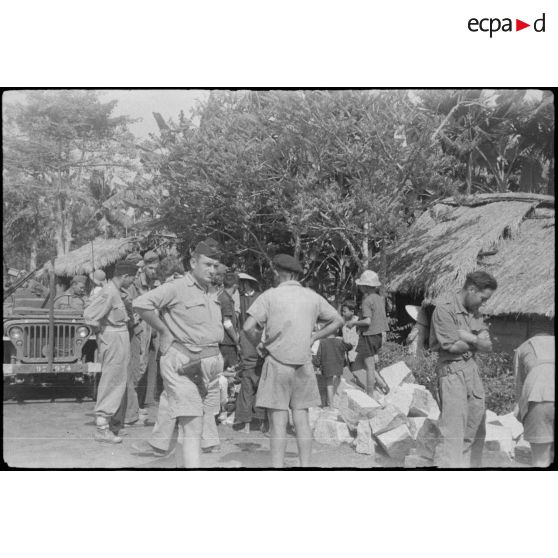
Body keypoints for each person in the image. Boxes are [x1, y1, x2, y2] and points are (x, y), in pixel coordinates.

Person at [243, 253, 343, 468]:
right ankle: (304, 466)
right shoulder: (312, 296)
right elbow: (338, 320)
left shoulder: (270, 296)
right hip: (303, 364)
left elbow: (247, 327)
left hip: (277, 363)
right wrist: (315, 336)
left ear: (278, 272)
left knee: (278, 423)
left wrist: (260, 344)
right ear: (297, 274)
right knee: (302, 419)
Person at [132, 240, 225, 467]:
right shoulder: (178, 286)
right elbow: (141, 303)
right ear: (193, 262)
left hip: (209, 366)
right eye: (207, 264)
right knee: (192, 427)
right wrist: (163, 330)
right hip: (185, 363)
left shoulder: (210, 290)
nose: (212, 270)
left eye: (215, 265)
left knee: (194, 428)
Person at [429, 270, 497, 468]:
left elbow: (488, 345)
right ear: (471, 289)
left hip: (471, 371)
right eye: (482, 299)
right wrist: (476, 339)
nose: (483, 304)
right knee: (452, 436)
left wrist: (466, 336)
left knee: (474, 431)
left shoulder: (474, 313)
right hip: (452, 372)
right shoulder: (444, 310)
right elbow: (453, 347)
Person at [84, 261, 137, 443]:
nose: (133, 281)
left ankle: (110, 425)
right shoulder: (108, 291)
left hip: (120, 339)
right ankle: (101, 428)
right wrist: (101, 333)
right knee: (111, 379)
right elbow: (90, 316)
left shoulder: (118, 292)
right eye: (132, 277)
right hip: (113, 339)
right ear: (124, 276)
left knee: (119, 379)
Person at [513, 331, 555, 467]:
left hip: (538, 396)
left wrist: (522, 415)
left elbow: (518, 387)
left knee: (541, 460)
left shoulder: (523, 348)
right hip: (540, 394)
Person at [345, 270, 389, 396]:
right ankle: (381, 384)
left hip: (369, 335)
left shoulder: (367, 301)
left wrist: (353, 323)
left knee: (369, 366)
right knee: (358, 364)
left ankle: (370, 395)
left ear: (364, 287)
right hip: (379, 335)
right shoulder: (379, 298)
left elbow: (368, 321)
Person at [233, 272, 265, 432]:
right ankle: (245, 421)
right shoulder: (239, 298)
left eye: (243, 283)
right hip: (245, 340)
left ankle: (258, 419)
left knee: (259, 382)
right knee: (246, 381)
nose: (241, 286)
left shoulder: (261, 297)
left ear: (249, 284)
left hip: (258, 338)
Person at [314, 331, 349, 408]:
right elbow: (348, 347)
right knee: (338, 378)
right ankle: (333, 398)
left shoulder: (322, 342)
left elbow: (318, 355)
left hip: (327, 365)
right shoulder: (339, 341)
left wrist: (316, 364)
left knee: (329, 384)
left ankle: (331, 405)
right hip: (338, 364)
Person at [218, 271, 241, 369]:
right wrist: (237, 340)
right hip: (227, 344)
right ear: (235, 286)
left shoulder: (221, 296)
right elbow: (227, 323)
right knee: (232, 373)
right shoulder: (226, 300)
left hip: (223, 343)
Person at [341, 300, 359, 370]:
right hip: (348, 357)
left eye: (345, 311)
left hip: (357, 356)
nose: (343, 313)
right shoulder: (343, 323)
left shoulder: (359, 322)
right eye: (342, 311)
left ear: (352, 312)